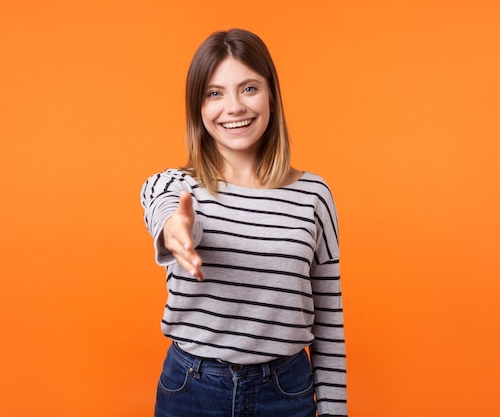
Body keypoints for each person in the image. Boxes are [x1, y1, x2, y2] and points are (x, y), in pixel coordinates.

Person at [140, 28, 347, 417]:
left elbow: (330, 322)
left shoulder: (315, 195)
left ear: (271, 95)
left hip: (286, 393)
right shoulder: (174, 185)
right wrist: (178, 231)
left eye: (249, 88)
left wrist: (335, 412)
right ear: (198, 108)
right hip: (192, 390)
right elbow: (169, 213)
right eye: (214, 93)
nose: (234, 107)